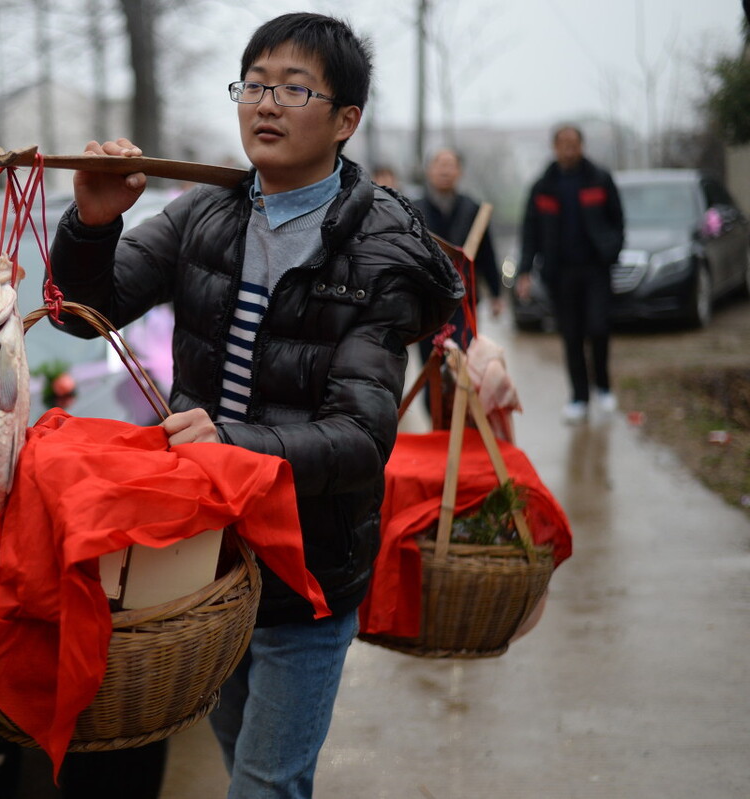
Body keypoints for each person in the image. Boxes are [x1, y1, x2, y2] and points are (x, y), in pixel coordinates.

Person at [47, 12, 463, 798]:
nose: (266, 104)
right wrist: (94, 224)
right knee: (248, 761)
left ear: (346, 120)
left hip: (309, 564)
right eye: (255, 84)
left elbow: (358, 438)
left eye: (294, 88)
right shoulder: (209, 213)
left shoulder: (377, 251)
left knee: (266, 784)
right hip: (205, 558)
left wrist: (227, 441)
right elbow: (79, 312)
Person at [516, 125, 624, 424]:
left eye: (573, 143)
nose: (568, 149)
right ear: (554, 147)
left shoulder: (599, 179)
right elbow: (530, 231)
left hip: (595, 271)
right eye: (562, 143)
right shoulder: (543, 186)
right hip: (560, 273)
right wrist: (525, 271)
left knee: (599, 328)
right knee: (572, 335)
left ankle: (602, 386)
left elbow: (618, 220)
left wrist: (612, 250)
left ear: (581, 145)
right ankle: (578, 396)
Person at [413, 148, 503, 387]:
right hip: (427, 303)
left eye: (450, 165)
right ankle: (436, 420)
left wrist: (496, 294)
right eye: (439, 164)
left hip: (464, 301)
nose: (445, 170)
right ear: (429, 170)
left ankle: (461, 419)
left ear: (459, 172)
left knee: (464, 365)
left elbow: (487, 254)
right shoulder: (412, 209)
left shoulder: (472, 209)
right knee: (431, 365)